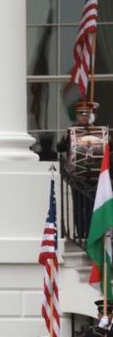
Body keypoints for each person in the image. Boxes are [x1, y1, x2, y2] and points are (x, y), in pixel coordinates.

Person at [56, 101, 98, 239]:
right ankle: (80, 233)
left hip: (93, 175)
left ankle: (92, 233)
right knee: (79, 206)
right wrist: (66, 138)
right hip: (78, 175)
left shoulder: (97, 131)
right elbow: (59, 148)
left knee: (92, 206)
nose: (84, 117)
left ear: (91, 115)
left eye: (87, 114)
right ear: (77, 116)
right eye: (81, 114)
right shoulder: (71, 131)